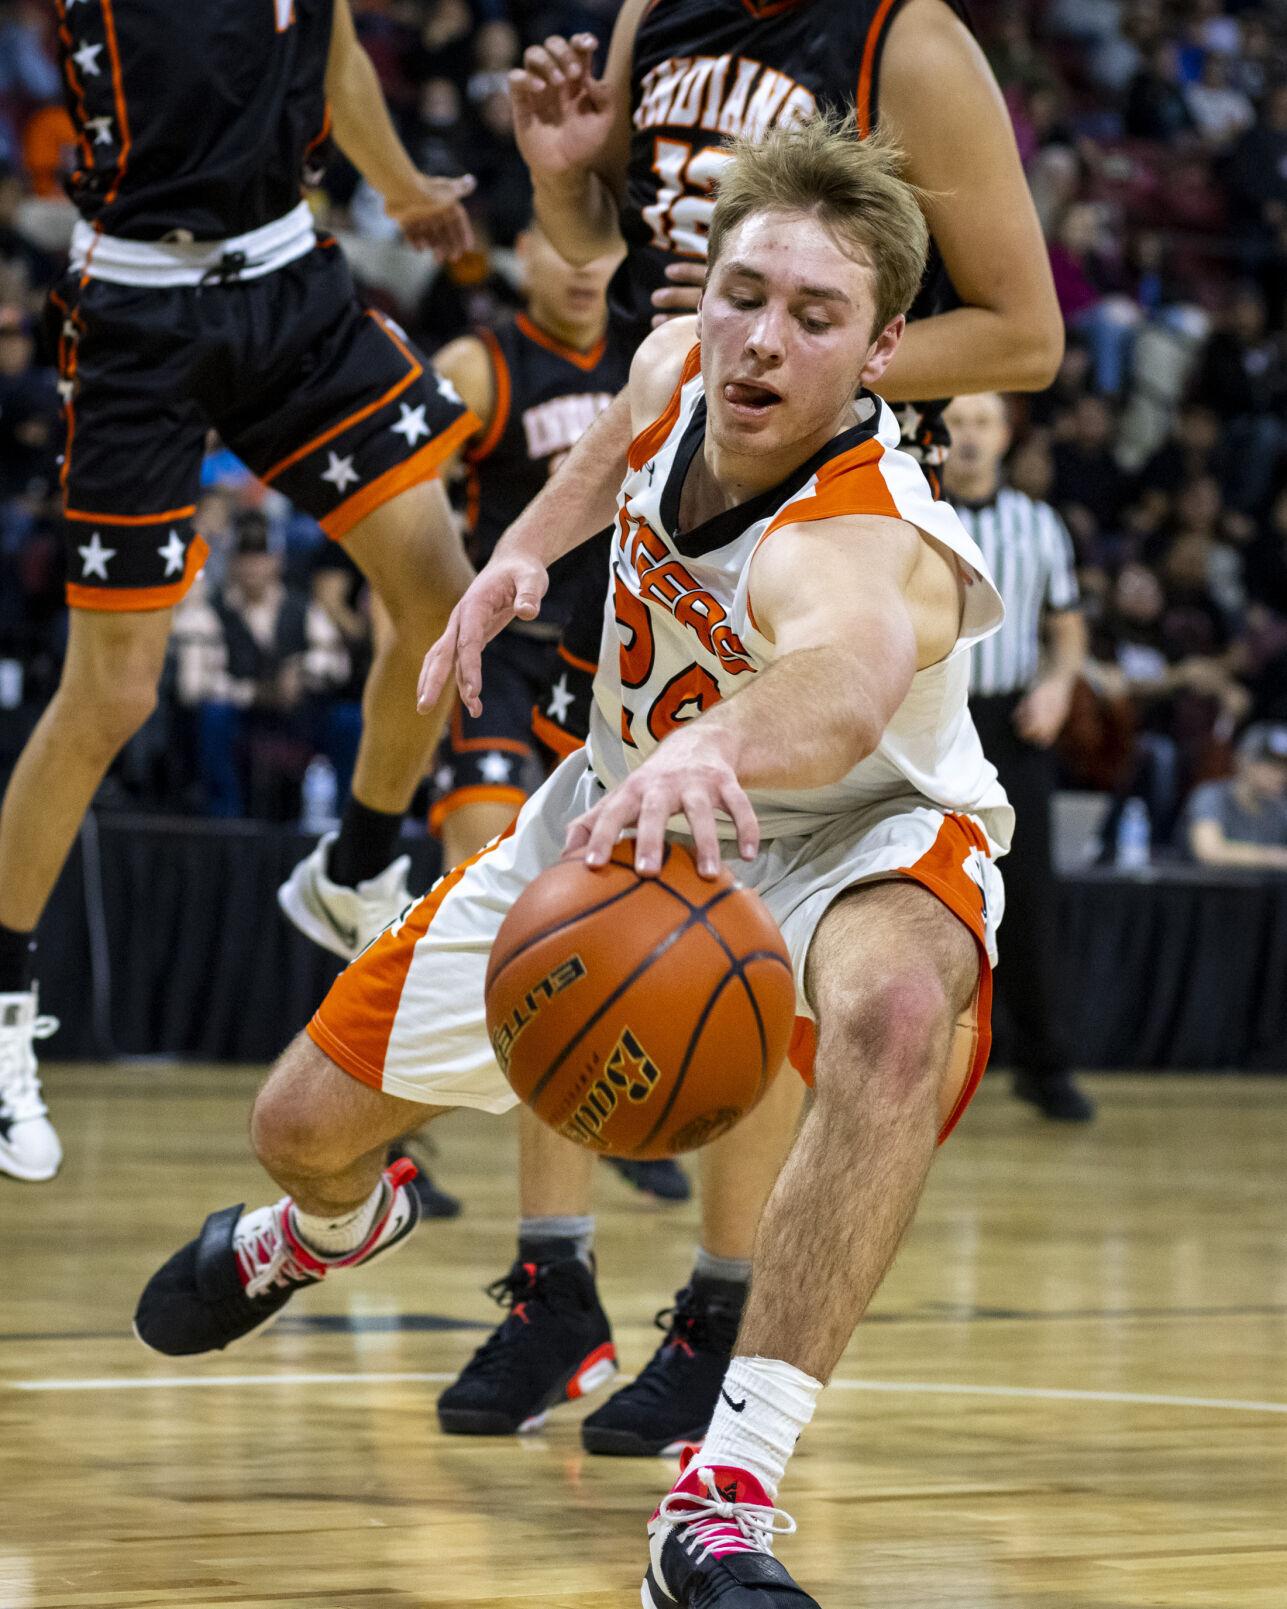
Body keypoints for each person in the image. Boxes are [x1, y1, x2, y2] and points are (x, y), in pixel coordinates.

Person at [136, 115, 1011, 1609]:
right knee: (298, 1125)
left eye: (813, 318)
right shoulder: (680, 363)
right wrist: (518, 560)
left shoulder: (860, 537)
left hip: (842, 836)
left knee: (894, 1013)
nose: (758, 340)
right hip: (613, 825)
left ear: (877, 354)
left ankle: (722, 1497)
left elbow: (845, 681)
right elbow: (612, 436)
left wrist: (710, 747)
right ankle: (329, 1230)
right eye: (741, 293)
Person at [436, 0, 1062, 1456]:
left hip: (811, 503)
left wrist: (797, 361)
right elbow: (610, 274)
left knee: (741, 902)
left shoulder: (904, 41)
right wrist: (564, 182)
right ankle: (559, 1278)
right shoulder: (652, 17)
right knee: (596, 879)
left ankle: (721, 1316)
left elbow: (1022, 335)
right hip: (666, 466)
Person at [0, 0, 478, 1181]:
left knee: (439, 596)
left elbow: (337, 49)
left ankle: (357, 863)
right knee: (112, 695)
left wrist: (406, 184)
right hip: (141, 312)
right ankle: (4, 1004)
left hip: (288, 281)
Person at [425, 224, 689, 1211]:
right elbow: (404, 498)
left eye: (597, 249)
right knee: (482, 894)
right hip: (501, 659)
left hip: (611, 660)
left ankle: (606, 1091)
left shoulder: (651, 362)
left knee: (609, 905)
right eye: (558, 244)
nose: (582, 265)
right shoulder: (479, 365)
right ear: (518, 252)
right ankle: (396, 1120)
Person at [943, 392, 1095, 1123]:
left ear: (1005, 436)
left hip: (1011, 722)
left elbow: (1065, 626)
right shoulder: (914, 509)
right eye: (958, 423)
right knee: (920, 891)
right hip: (930, 721)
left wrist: (1058, 687)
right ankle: (917, 1064)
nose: (969, 436)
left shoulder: (1037, 523)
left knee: (1031, 897)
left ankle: (1044, 1064)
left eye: (982, 423)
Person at [1182, 723, 1287, 870]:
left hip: (1259, 892)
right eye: (1273, 765)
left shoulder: (1280, 809)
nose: (1281, 774)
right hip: (1205, 888)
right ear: (1245, 760)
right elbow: (1208, 851)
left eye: (1285, 767)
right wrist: (1273, 857)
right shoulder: (1211, 796)